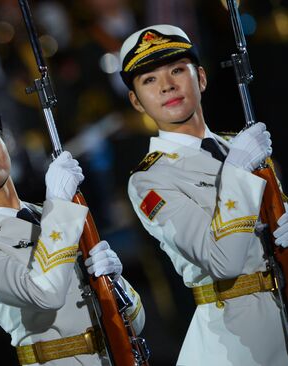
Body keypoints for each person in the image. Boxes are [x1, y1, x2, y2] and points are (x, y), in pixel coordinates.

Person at [0, 97, 145, 365]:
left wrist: (117, 283)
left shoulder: (49, 214)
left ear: (9, 144)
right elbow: (44, 293)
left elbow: (135, 321)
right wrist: (59, 205)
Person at [122, 24, 288, 365]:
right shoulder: (150, 179)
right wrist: (239, 170)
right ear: (136, 101)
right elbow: (221, 261)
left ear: (201, 78)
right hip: (235, 340)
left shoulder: (241, 148)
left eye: (176, 70)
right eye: (149, 80)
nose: (167, 85)